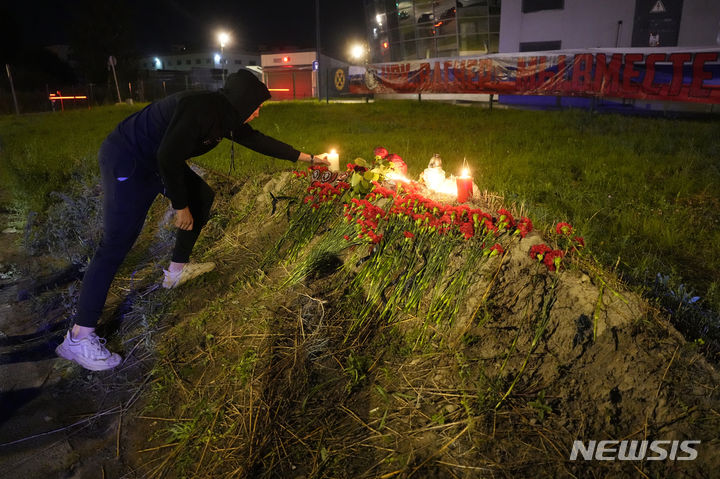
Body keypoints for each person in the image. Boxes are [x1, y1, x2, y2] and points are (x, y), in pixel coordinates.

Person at [56, 69, 329, 371]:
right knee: (115, 244)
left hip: (155, 159)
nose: (259, 113)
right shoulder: (201, 108)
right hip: (128, 158)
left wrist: (309, 158)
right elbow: (168, 157)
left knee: (202, 196)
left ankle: (175, 272)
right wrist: (179, 206)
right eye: (257, 106)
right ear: (243, 101)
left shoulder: (226, 115)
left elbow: (257, 141)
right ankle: (79, 337)